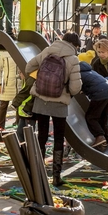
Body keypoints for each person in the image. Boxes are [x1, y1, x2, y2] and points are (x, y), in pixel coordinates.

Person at [25, 32, 82, 187]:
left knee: (41, 136)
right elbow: (75, 87)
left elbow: (28, 67)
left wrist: (41, 82)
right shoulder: (73, 59)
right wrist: (66, 90)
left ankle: (38, 173)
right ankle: (56, 176)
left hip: (41, 100)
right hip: (60, 103)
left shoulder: (47, 51)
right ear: (74, 45)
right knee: (58, 138)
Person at [79, 61, 108, 151]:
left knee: (91, 117)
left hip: (99, 94)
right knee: (103, 116)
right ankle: (106, 137)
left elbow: (75, 86)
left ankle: (99, 136)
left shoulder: (78, 74)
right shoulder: (91, 72)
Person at [0, 51, 19, 131]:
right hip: (7, 84)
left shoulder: (18, 50)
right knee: (3, 104)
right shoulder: (2, 53)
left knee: (20, 104)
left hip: (18, 83)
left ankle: (19, 123)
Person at [11, 71, 37, 142]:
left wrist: (15, 103)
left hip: (27, 110)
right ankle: (25, 148)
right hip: (25, 111)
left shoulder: (31, 80)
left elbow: (24, 93)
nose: (19, 75)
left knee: (24, 134)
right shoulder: (30, 79)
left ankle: (26, 149)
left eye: (20, 72)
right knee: (22, 133)